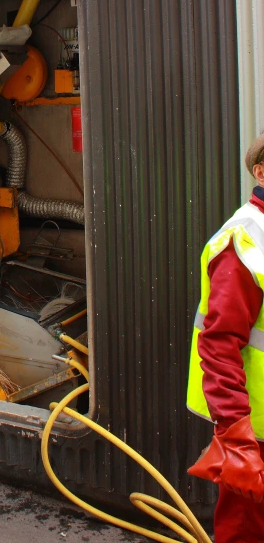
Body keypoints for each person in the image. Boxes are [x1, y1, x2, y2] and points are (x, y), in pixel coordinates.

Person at [187, 134, 264, 542]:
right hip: (254, 438)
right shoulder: (245, 244)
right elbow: (218, 346)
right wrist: (235, 438)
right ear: (261, 172)